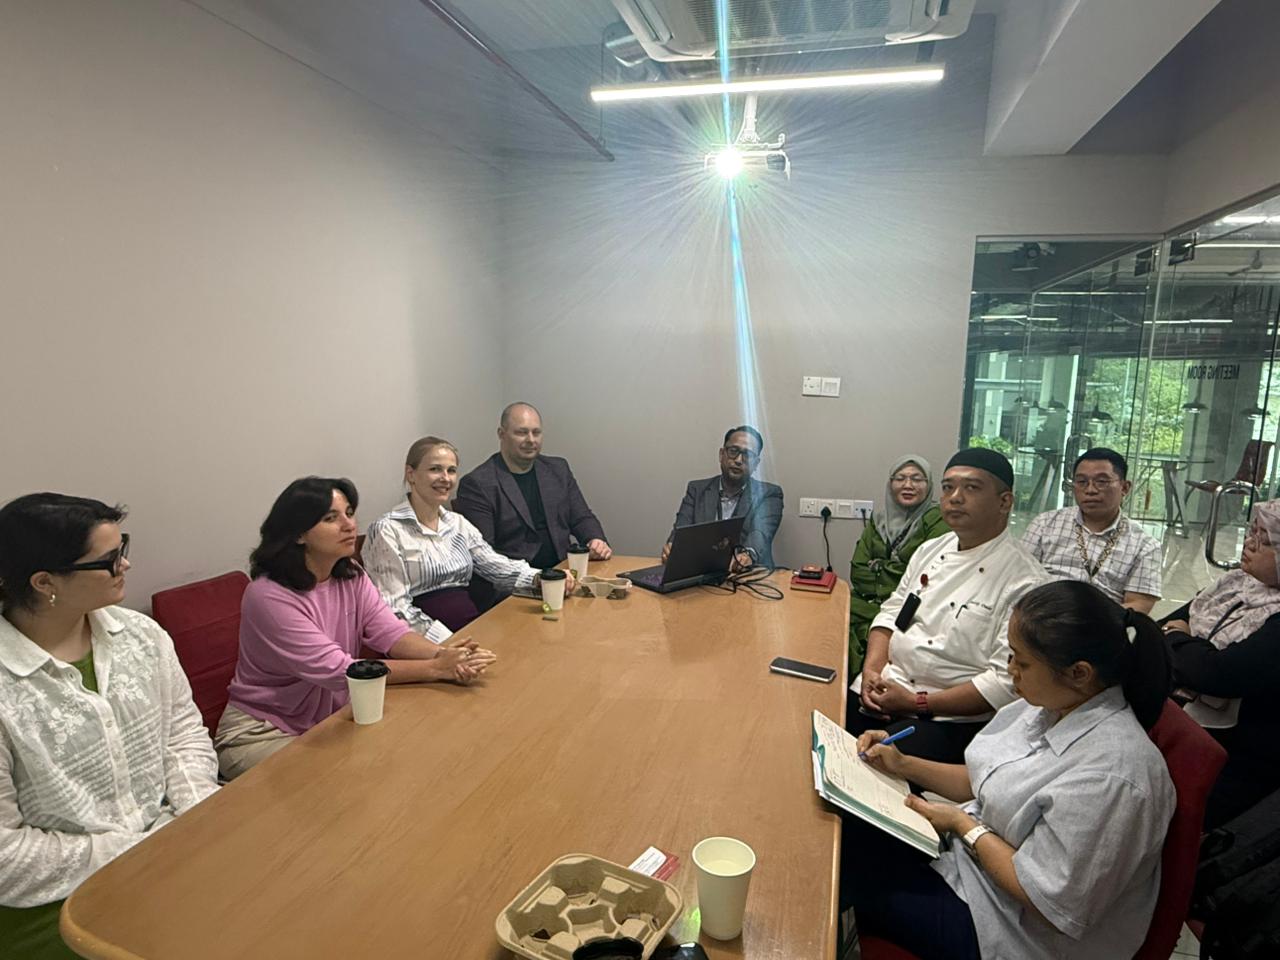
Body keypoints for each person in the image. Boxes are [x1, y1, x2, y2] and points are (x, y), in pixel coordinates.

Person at [845, 580, 1175, 960]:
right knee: (850, 825)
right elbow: (983, 781)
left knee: (850, 868)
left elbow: (1049, 899)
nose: (1010, 670)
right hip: (973, 872)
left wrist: (963, 825)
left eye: (1022, 662)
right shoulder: (1050, 705)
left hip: (1013, 929)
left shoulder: (1114, 776)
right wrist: (902, 764)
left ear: (1079, 673)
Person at [0, 494, 219, 959]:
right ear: (44, 582)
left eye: (123, 549)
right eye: (109, 560)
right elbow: (7, 857)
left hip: (173, 846)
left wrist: (195, 816)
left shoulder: (141, 635)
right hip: (58, 904)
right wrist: (138, 850)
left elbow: (183, 734)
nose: (126, 565)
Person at [215, 477, 496, 781]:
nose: (349, 525)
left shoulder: (350, 575)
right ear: (297, 534)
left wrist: (446, 656)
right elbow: (340, 671)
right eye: (330, 518)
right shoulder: (268, 595)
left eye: (349, 513)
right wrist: (435, 668)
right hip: (261, 733)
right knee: (352, 781)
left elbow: (391, 632)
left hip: (328, 718)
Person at [849, 448, 1046, 763]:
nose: (955, 497)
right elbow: (891, 613)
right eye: (948, 487)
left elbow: (1004, 681)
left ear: (1005, 501)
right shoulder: (930, 549)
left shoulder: (1026, 581)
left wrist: (916, 703)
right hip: (885, 690)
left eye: (972, 487)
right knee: (812, 726)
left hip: (947, 719)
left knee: (867, 767)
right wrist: (871, 670)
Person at [364, 437, 575, 641]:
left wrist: (541, 577)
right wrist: (448, 641)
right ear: (411, 474)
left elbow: (495, 565)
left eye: (451, 470)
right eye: (435, 469)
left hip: (472, 628)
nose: (445, 478)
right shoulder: (387, 529)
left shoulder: (457, 523)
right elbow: (395, 609)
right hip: (425, 644)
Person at [1162, 498, 1280, 828]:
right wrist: (1184, 642)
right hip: (1185, 722)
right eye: (1252, 532)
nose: (1249, 544)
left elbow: (1218, 674)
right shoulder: (1236, 584)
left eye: (1265, 540)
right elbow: (1164, 628)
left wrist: (1179, 638)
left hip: (1241, 755)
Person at [455, 403, 610, 608]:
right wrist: (536, 579)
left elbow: (581, 517)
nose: (531, 440)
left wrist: (595, 540)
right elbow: (485, 556)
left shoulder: (557, 469)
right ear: (501, 434)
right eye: (521, 433)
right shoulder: (478, 484)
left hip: (565, 575)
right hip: (515, 588)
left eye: (536, 433)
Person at [1021, 447, 1162, 613]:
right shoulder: (1045, 524)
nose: (1090, 490)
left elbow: (1139, 604)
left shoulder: (1145, 545)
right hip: (1043, 617)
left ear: (1124, 488)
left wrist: (1088, 620)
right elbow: (1019, 580)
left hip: (1104, 623)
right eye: (1082, 482)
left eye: (1101, 482)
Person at [848, 455, 949, 674]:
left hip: (908, 613)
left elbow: (923, 579)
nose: (908, 485)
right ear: (890, 484)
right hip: (862, 604)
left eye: (917, 479)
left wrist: (878, 567)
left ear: (929, 485)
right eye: (900, 478)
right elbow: (857, 571)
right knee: (827, 627)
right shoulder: (878, 519)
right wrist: (897, 570)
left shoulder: (937, 520)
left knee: (854, 644)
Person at [661, 426, 783, 571]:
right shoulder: (697, 490)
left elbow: (760, 533)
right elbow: (681, 531)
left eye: (747, 455)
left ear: (756, 463)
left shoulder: (769, 494)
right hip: (701, 573)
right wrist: (673, 546)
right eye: (733, 451)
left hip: (748, 575)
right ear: (721, 454)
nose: (739, 460)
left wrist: (747, 554)